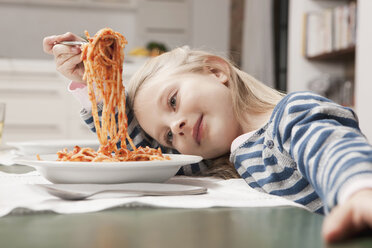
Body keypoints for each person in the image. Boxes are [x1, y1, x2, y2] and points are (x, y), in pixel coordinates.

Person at [43, 32, 372, 243]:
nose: (178, 128)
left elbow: (331, 147)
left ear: (216, 71)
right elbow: (134, 150)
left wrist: (358, 192)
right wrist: (94, 82)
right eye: (169, 136)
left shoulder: (292, 113)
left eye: (173, 101)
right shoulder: (222, 158)